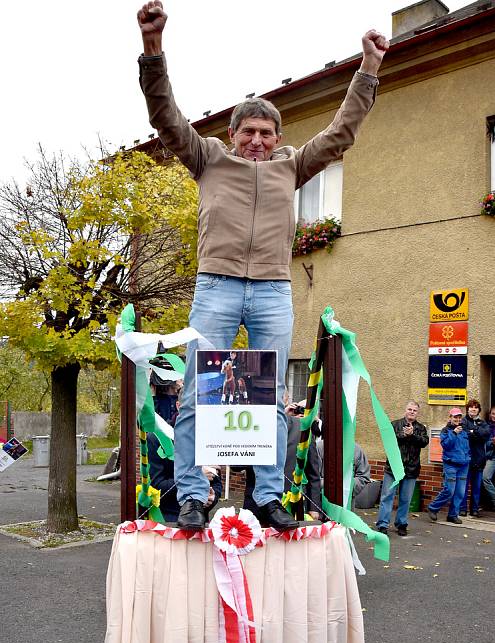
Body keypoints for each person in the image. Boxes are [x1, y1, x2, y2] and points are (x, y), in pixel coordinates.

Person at [137, 2, 389, 530]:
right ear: (233, 135)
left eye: (266, 133)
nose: (256, 140)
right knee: (199, 397)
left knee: (271, 398)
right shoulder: (207, 158)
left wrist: (368, 69)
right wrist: (153, 49)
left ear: (278, 139)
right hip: (217, 288)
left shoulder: (292, 167)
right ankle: (191, 495)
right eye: (248, 131)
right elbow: (165, 115)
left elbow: (342, 131)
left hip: (273, 290)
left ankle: (266, 496)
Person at [240, 400, 321, 522]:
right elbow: (236, 465)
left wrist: (314, 507)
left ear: (286, 400)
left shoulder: (303, 429)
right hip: (256, 508)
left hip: (292, 505)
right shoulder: (253, 427)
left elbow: (313, 473)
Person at [147, 390, 222, 522]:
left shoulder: (208, 438)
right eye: (193, 407)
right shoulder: (157, 438)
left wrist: (213, 497)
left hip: (200, 520)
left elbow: (216, 480)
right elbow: (156, 487)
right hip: (168, 522)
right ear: (178, 406)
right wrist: (195, 475)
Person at [376, 401, 429, 536]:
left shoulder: (421, 428)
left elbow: (424, 442)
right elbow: (389, 439)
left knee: (405, 499)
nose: (412, 412)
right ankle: (382, 524)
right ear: (405, 410)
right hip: (393, 467)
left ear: (417, 413)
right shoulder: (395, 424)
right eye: (409, 409)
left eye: (414, 410)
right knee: (387, 496)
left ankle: (401, 524)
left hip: (411, 469)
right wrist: (404, 435)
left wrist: (413, 435)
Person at [427, 408, 470, 524]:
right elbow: (446, 445)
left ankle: (452, 515)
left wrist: (468, 457)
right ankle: (433, 507)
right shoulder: (445, 431)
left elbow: (467, 446)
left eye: (459, 417)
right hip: (450, 464)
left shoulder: (465, 430)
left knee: (460, 492)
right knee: (449, 490)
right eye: (455, 417)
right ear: (450, 418)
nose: (457, 419)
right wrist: (454, 433)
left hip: (463, 465)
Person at [459, 399, 490, 517]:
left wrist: (474, 430)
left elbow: (486, 435)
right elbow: (466, 435)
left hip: (479, 460)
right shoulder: (463, 421)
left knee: (476, 488)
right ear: (467, 409)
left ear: (478, 410)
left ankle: (475, 509)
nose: (473, 409)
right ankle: (462, 509)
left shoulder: (483, 423)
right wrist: (477, 433)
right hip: (466, 459)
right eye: (471, 407)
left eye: (476, 407)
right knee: (464, 487)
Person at [482, 405, 495, 509]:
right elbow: (484, 443)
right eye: (493, 413)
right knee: (485, 478)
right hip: (490, 456)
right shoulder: (486, 426)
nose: (494, 416)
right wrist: (492, 442)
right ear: (490, 414)